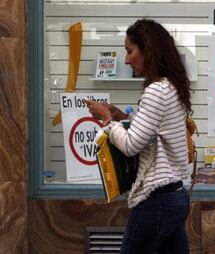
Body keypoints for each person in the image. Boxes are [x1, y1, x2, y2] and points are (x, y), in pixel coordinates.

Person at [84, 19, 191, 254]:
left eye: (129, 50)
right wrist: (122, 115)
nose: (126, 59)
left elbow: (131, 145)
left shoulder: (156, 91)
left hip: (156, 199)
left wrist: (107, 120)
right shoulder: (170, 87)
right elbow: (153, 133)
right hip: (174, 196)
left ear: (148, 50)